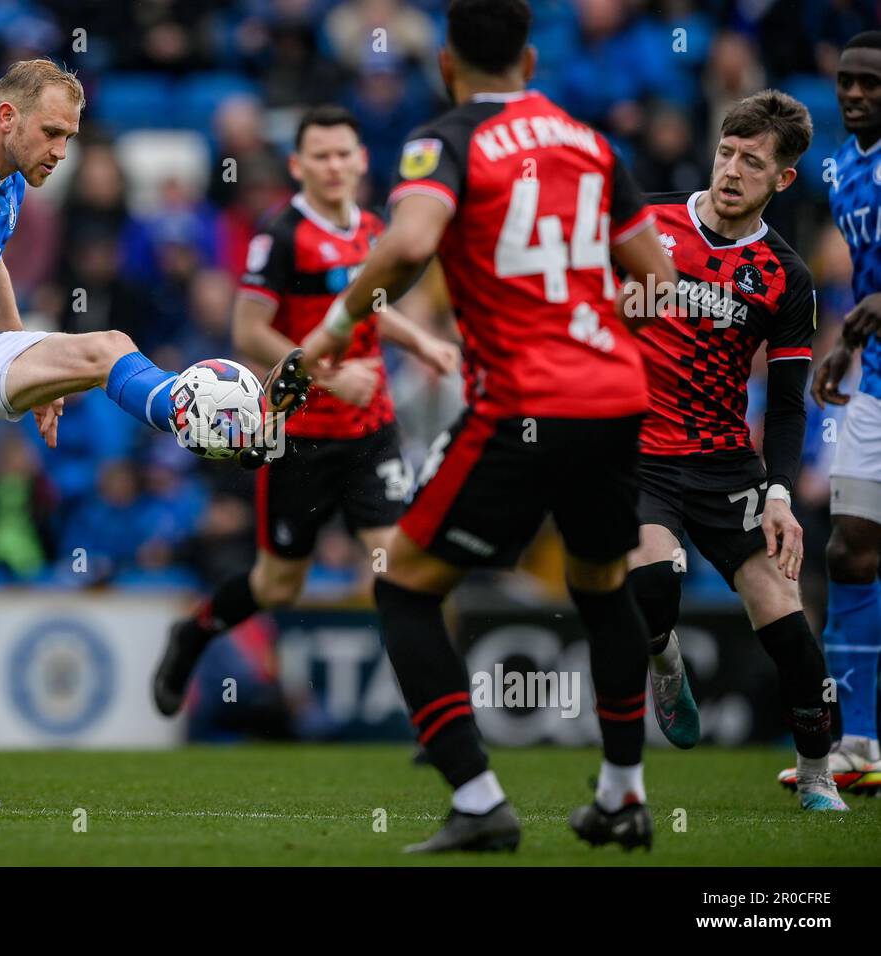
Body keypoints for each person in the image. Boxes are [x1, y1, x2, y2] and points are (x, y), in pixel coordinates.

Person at [0, 59, 306, 806]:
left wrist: (31, 365)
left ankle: (196, 417)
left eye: (72, 137)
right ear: (6, 117)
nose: (61, 150)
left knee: (104, 348)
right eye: (52, 132)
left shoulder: (9, 181)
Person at [300, 0, 676, 852]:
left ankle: (477, 801)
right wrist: (594, 328)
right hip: (615, 398)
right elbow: (656, 282)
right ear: (533, 60)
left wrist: (332, 326)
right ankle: (623, 795)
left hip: (524, 403)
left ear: (445, 65)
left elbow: (408, 245)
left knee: (401, 584)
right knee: (600, 584)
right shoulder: (593, 144)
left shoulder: (444, 140)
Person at [152, 105, 460, 718]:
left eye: (344, 153)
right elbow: (248, 332)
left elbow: (368, 302)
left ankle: (440, 718)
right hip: (298, 438)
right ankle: (194, 634)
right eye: (320, 155)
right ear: (298, 165)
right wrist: (327, 373)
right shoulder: (281, 236)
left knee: (400, 569)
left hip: (371, 433)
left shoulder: (374, 231)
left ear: (362, 159)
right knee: (277, 585)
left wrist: (420, 340)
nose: (335, 165)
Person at [624, 92, 848, 811]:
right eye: (726, 152)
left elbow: (786, 404)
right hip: (640, 456)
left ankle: (816, 774)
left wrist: (780, 492)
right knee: (652, 579)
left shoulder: (786, 277)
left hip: (727, 465)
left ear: (783, 179)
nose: (731, 170)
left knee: (788, 627)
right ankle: (664, 660)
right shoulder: (644, 223)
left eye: (753, 162)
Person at [795, 30, 881, 795]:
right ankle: (857, 741)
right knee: (850, 549)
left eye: (871, 85)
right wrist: (844, 347)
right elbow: (862, 291)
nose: (855, 95)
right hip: (875, 385)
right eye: (848, 82)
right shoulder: (846, 173)